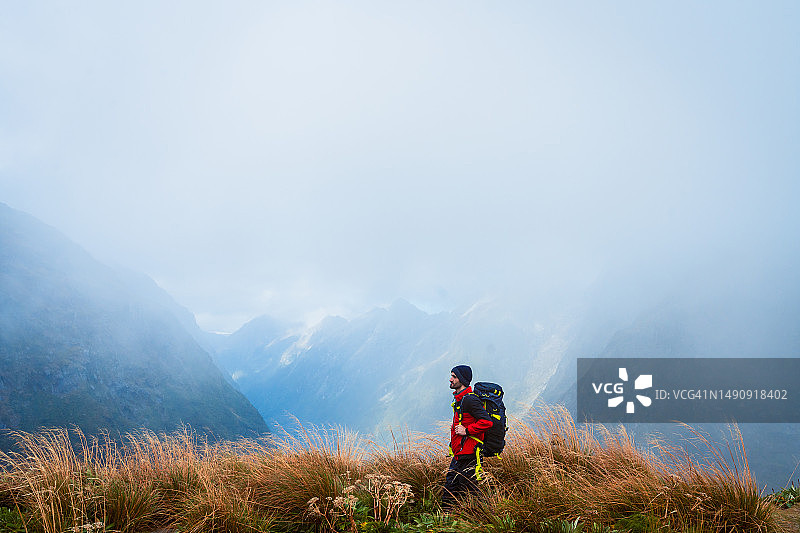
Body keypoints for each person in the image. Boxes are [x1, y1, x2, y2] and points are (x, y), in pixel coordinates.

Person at [442, 364, 493, 510]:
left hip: (470, 454)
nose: (450, 379)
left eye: (454, 376)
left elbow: (487, 422)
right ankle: (447, 522)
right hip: (459, 454)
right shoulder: (460, 399)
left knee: (471, 493)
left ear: (462, 380)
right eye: (451, 375)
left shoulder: (470, 400)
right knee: (451, 492)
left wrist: (467, 430)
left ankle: (485, 518)